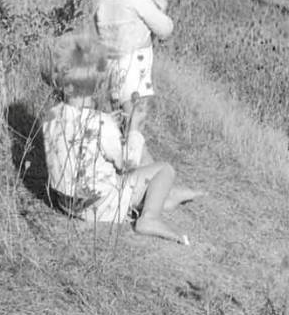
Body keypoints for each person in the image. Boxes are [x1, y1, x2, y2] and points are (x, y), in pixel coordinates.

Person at [41, 35, 202, 242]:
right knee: (164, 169)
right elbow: (127, 163)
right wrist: (133, 131)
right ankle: (150, 217)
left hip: (64, 201)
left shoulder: (51, 115)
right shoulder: (101, 123)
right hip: (100, 206)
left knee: (132, 172)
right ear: (98, 84)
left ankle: (163, 198)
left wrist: (108, 124)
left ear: (62, 82)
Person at [94, 0, 173, 167]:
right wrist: (162, 11)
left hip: (110, 71)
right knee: (136, 122)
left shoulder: (102, 1)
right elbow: (165, 29)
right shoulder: (139, 0)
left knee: (122, 120)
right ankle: (131, 169)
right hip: (134, 74)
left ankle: (128, 161)